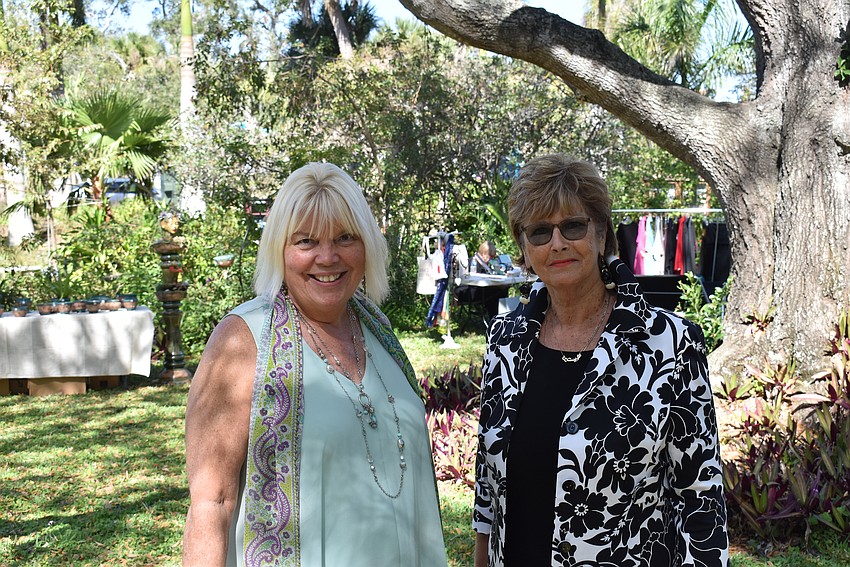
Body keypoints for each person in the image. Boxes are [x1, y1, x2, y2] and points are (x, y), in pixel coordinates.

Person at [183, 162, 448, 567]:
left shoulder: (378, 328)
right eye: (306, 241)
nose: (328, 257)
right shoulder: (243, 339)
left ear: (366, 246)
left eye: (345, 237)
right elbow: (211, 503)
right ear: (280, 250)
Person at [472, 154, 728, 566]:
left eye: (572, 225)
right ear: (523, 246)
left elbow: (701, 502)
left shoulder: (670, 345)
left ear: (601, 232)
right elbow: (489, 486)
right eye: (539, 232)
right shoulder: (506, 341)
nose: (557, 243)